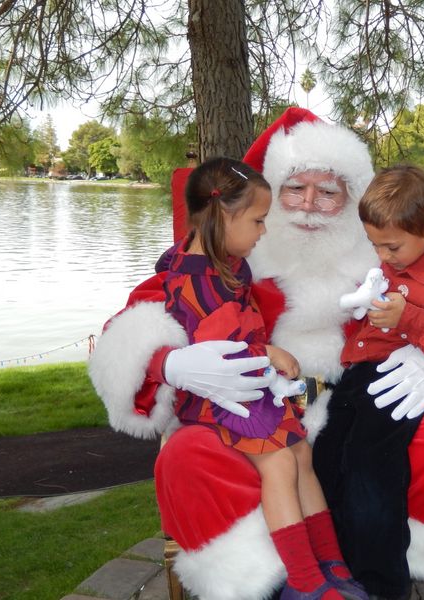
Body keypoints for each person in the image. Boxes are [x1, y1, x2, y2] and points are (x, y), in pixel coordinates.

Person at [88, 107, 424, 600]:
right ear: (269, 194)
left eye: (329, 191)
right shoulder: (223, 255)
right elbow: (132, 324)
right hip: (252, 408)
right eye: (295, 187)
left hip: (356, 404)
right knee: (187, 452)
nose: (310, 204)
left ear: (352, 198)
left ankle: (368, 575)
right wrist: (170, 362)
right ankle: (259, 579)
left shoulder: (385, 250)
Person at [151, 155, 366, 600]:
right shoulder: (195, 280)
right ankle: (304, 580)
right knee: (280, 465)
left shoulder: (226, 265)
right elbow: (216, 350)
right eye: (257, 220)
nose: (263, 230)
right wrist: (267, 352)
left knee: (301, 454)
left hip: (253, 387)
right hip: (225, 396)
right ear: (222, 216)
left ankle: (331, 563)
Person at [313, 165, 424, 599]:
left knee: (371, 471)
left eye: (390, 246)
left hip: (403, 384)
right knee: (329, 451)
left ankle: (383, 584)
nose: (383, 255)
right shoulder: (403, 257)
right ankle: (335, 563)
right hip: (364, 377)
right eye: (375, 245)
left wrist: (408, 318)